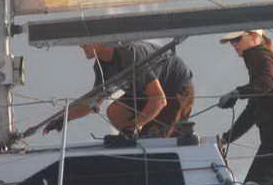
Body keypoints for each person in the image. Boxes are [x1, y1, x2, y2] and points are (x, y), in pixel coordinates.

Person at [44, 41, 194, 137]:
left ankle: (155, 138)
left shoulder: (129, 54)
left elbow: (159, 100)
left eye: (85, 38)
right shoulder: (101, 65)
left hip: (174, 90)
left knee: (158, 139)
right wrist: (64, 118)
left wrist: (136, 125)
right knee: (115, 112)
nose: (80, 44)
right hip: (144, 93)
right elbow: (93, 104)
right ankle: (136, 141)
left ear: (102, 39)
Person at [216, 30, 273, 185]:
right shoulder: (260, 55)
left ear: (255, 36)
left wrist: (237, 93)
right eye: (231, 41)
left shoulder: (258, 53)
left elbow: (266, 82)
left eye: (237, 39)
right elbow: (252, 111)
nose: (233, 44)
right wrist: (226, 138)